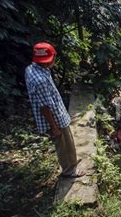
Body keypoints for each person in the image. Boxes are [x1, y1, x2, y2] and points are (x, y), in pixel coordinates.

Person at [25, 42, 85, 177]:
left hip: (57, 112)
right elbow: (45, 107)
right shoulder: (40, 80)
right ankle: (69, 169)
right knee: (63, 144)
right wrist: (54, 127)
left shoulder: (32, 69)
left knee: (67, 140)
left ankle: (72, 161)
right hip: (54, 118)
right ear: (49, 60)